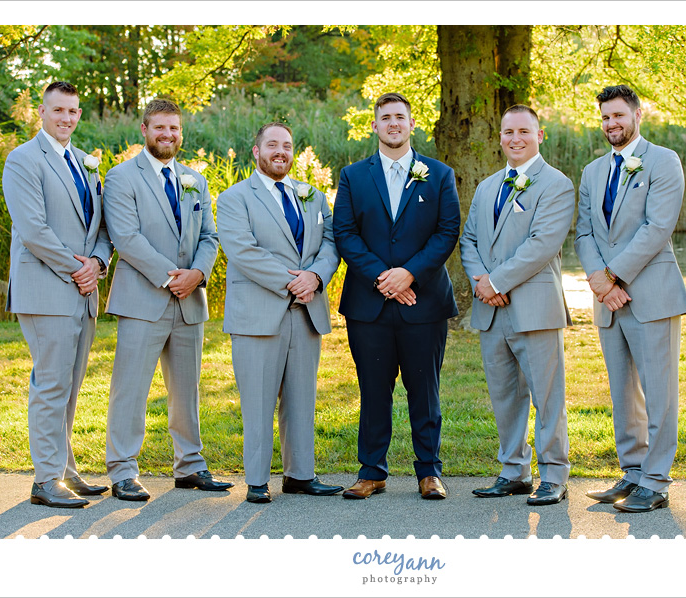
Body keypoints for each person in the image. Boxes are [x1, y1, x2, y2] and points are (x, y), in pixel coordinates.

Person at [333, 92, 460, 500]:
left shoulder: (438, 174)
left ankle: (429, 472)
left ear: (411, 124)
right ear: (374, 125)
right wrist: (382, 279)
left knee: (425, 390)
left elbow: (447, 231)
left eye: (399, 117)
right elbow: (345, 234)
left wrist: (408, 275)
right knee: (373, 390)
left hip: (423, 302)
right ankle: (372, 471)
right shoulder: (353, 176)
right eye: (384, 117)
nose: (392, 124)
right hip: (368, 305)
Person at [102, 98, 231, 500]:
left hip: (189, 301)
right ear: (144, 130)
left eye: (174, 128)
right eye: (160, 127)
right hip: (143, 300)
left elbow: (210, 236)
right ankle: (123, 470)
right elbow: (126, 237)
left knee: (186, 391)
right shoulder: (122, 178)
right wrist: (169, 276)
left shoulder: (194, 178)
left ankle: (190, 466)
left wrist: (198, 274)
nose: (168, 135)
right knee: (131, 389)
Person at [574, 85, 686, 513]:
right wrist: (600, 283)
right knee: (623, 390)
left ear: (638, 114)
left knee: (659, 391)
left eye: (619, 115)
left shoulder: (663, 161)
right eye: (605, 117)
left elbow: (657, 228)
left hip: (651, 294)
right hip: (608, 298)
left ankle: (657, 481)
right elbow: (583, 232)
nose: (611, 124)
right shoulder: (591, 171)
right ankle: (634, 471)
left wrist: (613, 275)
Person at [216, 123, 343, 503]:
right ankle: (256, 481)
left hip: (306, 313)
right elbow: (243, 250)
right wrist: (294, 282)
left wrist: (317, 277)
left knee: (302, 399)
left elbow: (332, 243)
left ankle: (300, 475)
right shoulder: (234, 198)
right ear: (255, 151)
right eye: (272, 144)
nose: (281, 152)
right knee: (257, 400)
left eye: (287, 146)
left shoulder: (314, 197)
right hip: (258, 314)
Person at [3, 80, 114, 508]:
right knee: (51, 383)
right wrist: (79, 269)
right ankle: (45, 480)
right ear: (42, 113)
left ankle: (65, 470)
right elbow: (33, 230)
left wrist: (99, 264)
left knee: (70, 385)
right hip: (46, 288)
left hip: (82, 290)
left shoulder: (86, 162)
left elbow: (102, 227)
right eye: (58, 110)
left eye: (72, 111)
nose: (66, 118)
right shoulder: (23, 159)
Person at [459, 105, 575, 506]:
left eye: (523, 131)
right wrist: (482, 283)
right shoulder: (488, 186)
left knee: (547, 397)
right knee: (505, 395)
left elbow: (542, 245)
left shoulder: (556, 184)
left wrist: (497, 280)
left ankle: (554, 476)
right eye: (508, 132)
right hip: (491, 310)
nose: (515, 139)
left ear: (539, 135)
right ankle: (513, 471)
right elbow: (468, 239)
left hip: (535, 307)